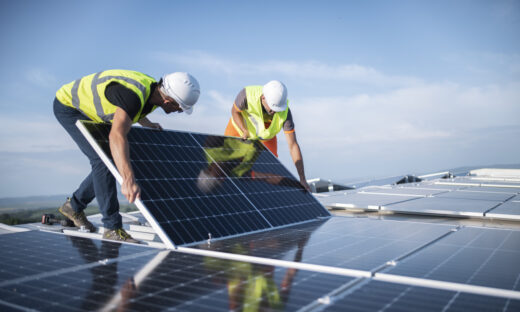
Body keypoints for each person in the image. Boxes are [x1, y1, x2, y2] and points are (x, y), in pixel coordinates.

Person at [54, 69, 200, 242]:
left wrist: (147, 123)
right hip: (70, 106)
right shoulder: (133, 95)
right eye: (180, 107)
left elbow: (133, 109)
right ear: (168, 100)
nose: (180, 111)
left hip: (90, 111)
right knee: (103, 161)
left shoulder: (155, 92)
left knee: (115, 159)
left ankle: (73, 206)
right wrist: (128, 180)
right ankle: (112, 228)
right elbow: (117, 134)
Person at [224, 81, 310, 191]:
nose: (274, 111)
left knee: (270, 169)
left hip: (265, 136)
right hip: (239, 131)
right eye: (273, 107)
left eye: (277, 109)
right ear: (263, 97)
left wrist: (302, 178)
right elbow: (234, 111)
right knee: (228, 166)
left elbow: (293, 145)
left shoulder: (285, 113)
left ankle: (259, 197)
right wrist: (244, 130)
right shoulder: (247, 94)